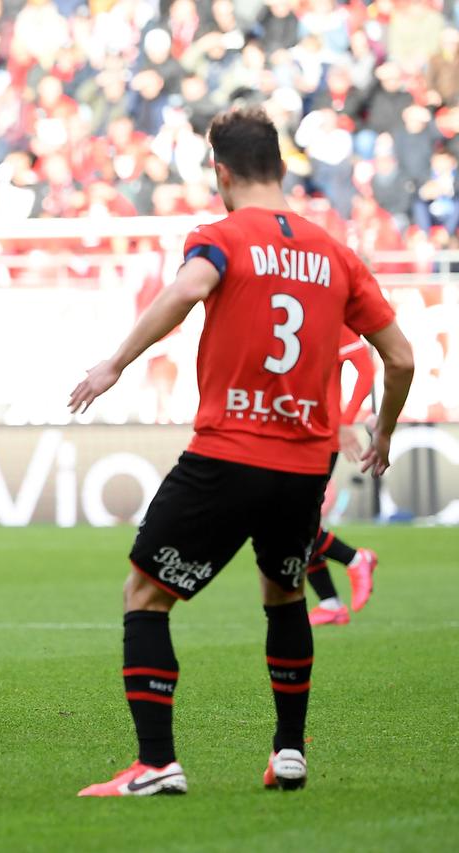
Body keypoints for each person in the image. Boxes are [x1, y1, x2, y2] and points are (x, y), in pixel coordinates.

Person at [68, 107, 413, 797]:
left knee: (145, 594)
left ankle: (156, 761)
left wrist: (114, 363)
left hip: (229, 452)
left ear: (220, 172)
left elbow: (192, 286)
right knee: (284, 591)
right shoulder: (338, 254)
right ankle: (289, 750)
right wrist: (384, 431)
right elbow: (399, 357)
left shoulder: (221, 237)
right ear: (282, 168)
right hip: (304, 465)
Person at [307, 328, 381, 626]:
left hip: (321, 436)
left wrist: (345, 421)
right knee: (297, 523)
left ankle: (354, 560)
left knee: (291, 522)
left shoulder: (331, 319)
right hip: (292, 434)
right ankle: (330, 602)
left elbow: (366, 369)